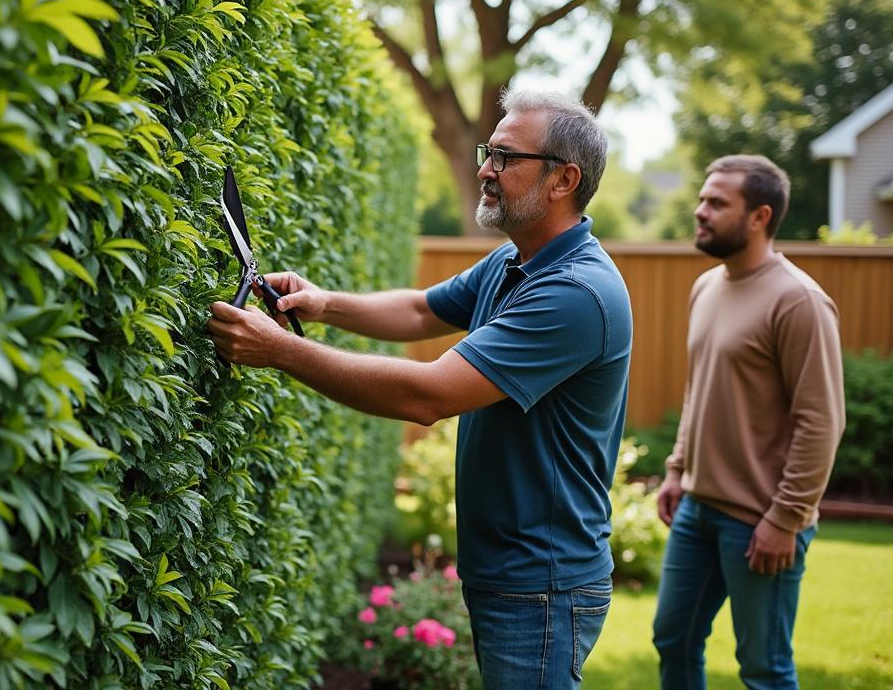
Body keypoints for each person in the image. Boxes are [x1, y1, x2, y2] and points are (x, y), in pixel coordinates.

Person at [207, 90, 632, 689]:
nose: (485, 169)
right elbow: (418, 310)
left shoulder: (575, 294)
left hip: (543, 582)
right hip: (516, 572)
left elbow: (428, 396)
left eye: (505, 158)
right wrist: (323, 304)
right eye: (489, 152)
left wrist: (279, 350)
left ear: (564, 179)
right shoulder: (515, 263)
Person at [652, 155, 845, 690]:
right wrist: (677, 469)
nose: (700, 211)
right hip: (697, 509)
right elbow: (701, 388)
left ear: (760, 216)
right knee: (674, 641)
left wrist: (785, 518)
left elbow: (821, 421)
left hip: (760, 522)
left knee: (764, 669)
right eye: (701, 199)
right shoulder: (706, 287)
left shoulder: (799, 301)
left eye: (717, 203)